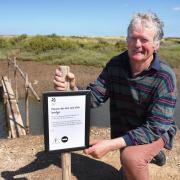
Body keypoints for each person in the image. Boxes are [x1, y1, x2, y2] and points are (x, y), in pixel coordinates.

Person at [53, 12, 177, 180]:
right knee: (128, 160)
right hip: (126, 128)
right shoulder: (115, 64)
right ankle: (152, 155)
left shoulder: (164, 76)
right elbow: (95, 97)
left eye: (144, 40)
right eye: (132, 38)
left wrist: (110, 144)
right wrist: (73, 88)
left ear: (156, 45)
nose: (137, 44)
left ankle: (147, 152)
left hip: (156, 131)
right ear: (126, 39)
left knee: (130, 158)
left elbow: (155, 127)